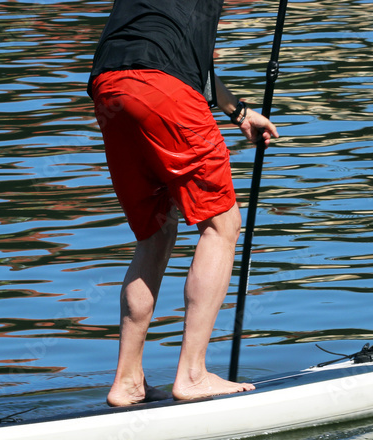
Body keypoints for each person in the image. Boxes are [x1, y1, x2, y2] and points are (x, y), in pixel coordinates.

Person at [88, 0, 279, 407]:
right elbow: (171, 65)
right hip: (162, 86)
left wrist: (240, 112)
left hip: (108, 86)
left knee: (155, 232)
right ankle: (192, 374)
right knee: (221, 225)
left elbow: (184, 57)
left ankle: (128, 381)